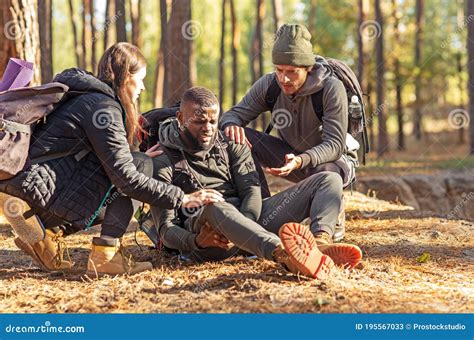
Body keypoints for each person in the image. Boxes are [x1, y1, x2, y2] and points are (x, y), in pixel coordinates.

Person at [0, 43, 222, 276]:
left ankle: (45, 236)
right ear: (127, 76)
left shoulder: (84, 96)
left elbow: (91, 157)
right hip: (40, 188)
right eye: (141, 79)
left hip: (27, 180)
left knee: (137, 162)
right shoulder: (104, 108)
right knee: (141, 166)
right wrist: (183, 198)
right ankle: (105, 255)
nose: (143, 88)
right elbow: (126, 178)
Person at [150, 87, 362, 280]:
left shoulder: (230, 142)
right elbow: (166, 229)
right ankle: (283, 254)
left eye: (213, 121)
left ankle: (320, 243)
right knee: (214, 204)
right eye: (199, 121)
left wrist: (244, 226)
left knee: (329, 179)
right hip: (209, 238)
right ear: (180, 118)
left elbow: (251, 189)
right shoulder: (163, 159)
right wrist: (195, 242)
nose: (208, 128)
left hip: (251, 221)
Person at [219, 24, 358, 245]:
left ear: (308, 68)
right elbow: (233, 114)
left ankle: (326, 223)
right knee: (237, 135)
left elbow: (334, 144)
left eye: (292, 71)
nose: (284, 78)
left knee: (328, 173)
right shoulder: (270, 84)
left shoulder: (331, 88)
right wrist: (230, 125)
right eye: (279, 70)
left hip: (331, 161)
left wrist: (302, 160)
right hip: (288, 155)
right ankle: (259, 209)